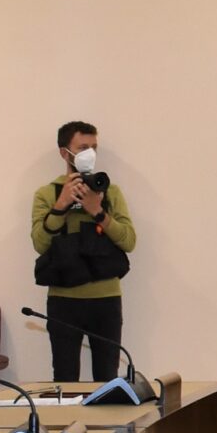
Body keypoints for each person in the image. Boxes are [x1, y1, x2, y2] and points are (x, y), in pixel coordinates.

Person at [33, 119, 138, 380]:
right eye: (82, 148)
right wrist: (61, 205)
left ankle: (107, 424)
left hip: (106, 299)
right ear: (64, 152)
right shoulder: (47, 193)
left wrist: (97, 211)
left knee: (107, 378)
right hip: (64, 299)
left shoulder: (109, 191)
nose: (89, 154)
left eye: (94, 147)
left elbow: (129, 241)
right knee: (65, 378)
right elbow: (39, 243)